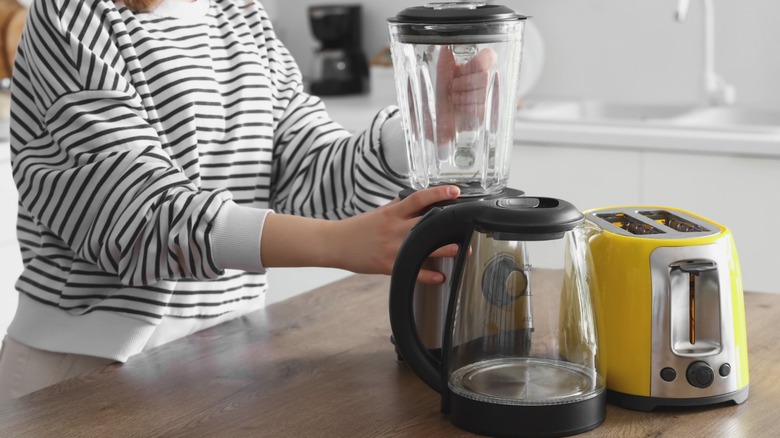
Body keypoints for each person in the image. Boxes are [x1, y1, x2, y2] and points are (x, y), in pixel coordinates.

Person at [0, 0, 500, 403]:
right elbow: (134, 215)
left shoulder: (239, 15)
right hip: (87, 365)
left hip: (221, 354)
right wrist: (335, 244)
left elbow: (307, 173)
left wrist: (418, 129)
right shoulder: (71, 14)